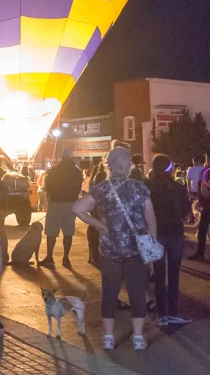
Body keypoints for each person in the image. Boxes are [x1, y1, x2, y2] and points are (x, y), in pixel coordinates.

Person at [73, 147, 157, 351]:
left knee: (110, 293)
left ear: (108, 165)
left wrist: (98, 225)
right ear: (128, 164)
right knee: (137, 292)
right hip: (136, 251)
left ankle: (108, 338)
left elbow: (77, 208)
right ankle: (137, 338)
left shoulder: (102, 188)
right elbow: (151, 220)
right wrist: (151, 246)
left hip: (109, 251)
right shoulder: (140, 188)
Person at [146, 154, 191, 326]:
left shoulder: (149, 188)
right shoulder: (178, 188)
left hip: (157, 234)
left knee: (158, 275)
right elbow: (186, 213)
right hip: (175, 234)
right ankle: (173, 312)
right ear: (168, 169)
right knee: (173, 274)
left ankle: (161, 313)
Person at [39, 148, 83, 269]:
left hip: (56, 203)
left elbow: (48, 185)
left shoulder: (55, 170)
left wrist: (52, 195)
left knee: (51, 231)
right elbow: (78, 187)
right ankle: (65, 257)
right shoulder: (77, 172)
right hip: (71, 204)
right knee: (68, 232)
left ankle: (49, 257)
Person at [188, 155, 210, 261]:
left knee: (202, 229)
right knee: (202, 229)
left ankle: (200, 253)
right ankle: (200, 253)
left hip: (207, 205)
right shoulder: (205, 171)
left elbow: (204, 191)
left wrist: (202, 201)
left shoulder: (206, 172)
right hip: (206, 204)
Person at [87, 163, 106, 266]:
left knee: (94, 233)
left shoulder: (96, 177)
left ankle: (94, 256)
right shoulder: (101, 176)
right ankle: (96, 256)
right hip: (101, 210)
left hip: (96, 210)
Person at [186, 155, 205, 225]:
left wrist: (188, 189)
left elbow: (188, 180)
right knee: (201, 205)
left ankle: (191, 219)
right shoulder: (204, 169)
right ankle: (201, 218)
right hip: (202, 190)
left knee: (192, 205)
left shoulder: (190, 170)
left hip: (193, 189)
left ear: (197, 161)